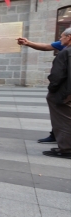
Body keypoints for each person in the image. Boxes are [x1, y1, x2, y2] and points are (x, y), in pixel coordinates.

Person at [17, 35, 67, 143]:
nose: (60, 38)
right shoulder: (64, 46)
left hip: (66, 86)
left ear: (69, 37)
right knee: (58, 111)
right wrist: (28, 43)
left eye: (63, 36)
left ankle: (65, 143)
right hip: (62, 86)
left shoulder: (66, 51)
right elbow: (46, 46)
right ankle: (56, 134)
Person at [42, 27, 71, 158]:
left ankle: (66, 149)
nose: (60, 39)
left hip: (63, 93)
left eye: (61, 37)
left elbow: (57, 75)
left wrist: (52, 90)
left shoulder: (65, 53)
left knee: (62, 121)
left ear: (69, 37)